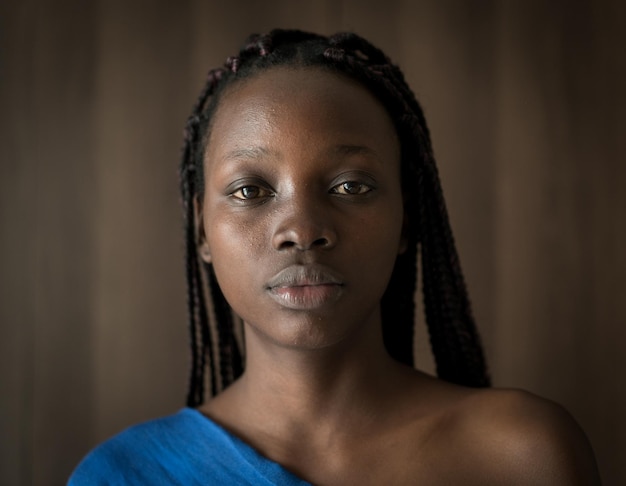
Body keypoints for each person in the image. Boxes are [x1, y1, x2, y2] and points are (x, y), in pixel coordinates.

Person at [69, 29, 601, 485]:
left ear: (406, 221)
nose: (302, 229)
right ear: (202, 229)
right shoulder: (123, 474)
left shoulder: (522, 456)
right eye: (250, 191)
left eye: (350, 186)